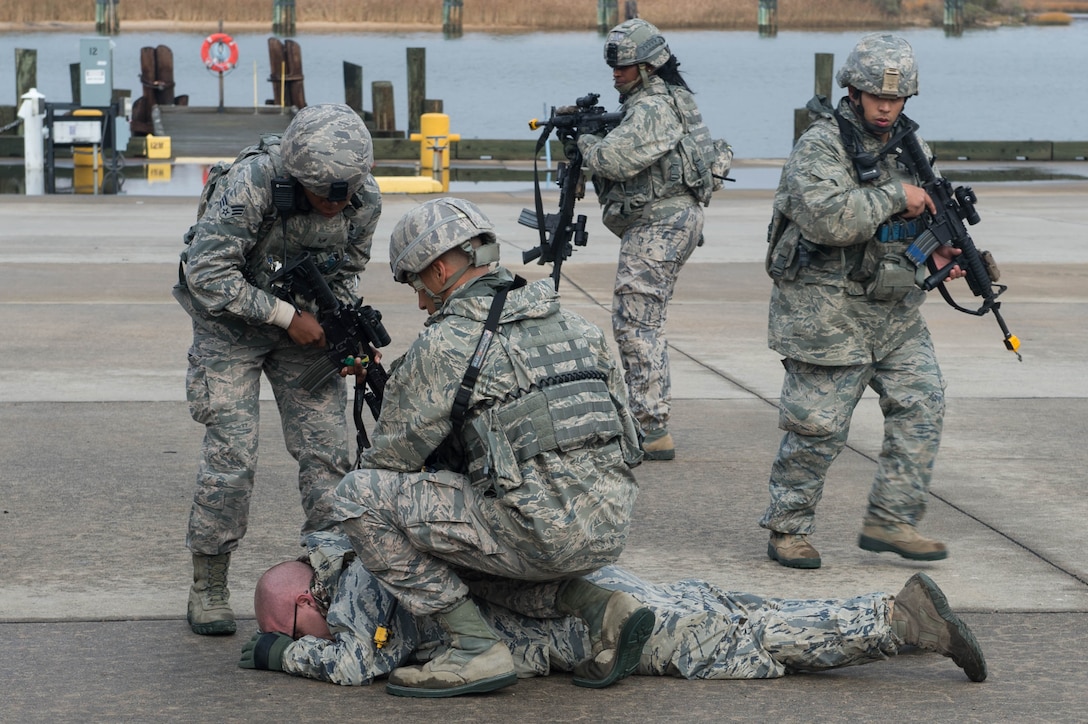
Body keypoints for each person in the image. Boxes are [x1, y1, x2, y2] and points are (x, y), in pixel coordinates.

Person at [312, 197, 651, 698]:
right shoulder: (580, 327)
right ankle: (601, 606)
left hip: (539, 536)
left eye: (417, 283)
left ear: (443, 267)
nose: (422, 302)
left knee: (359, 496)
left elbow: (390, 463)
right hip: (607, 528)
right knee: (473, 539)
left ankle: (473, 647)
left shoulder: (448, 342)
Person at [239, 531, 987, 685]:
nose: (305, 633)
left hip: (571, 624)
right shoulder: (364, 549)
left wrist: (278, 654)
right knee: (722, 603)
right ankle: (879, 613)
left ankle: (894, 623)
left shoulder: (361, 581)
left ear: (308, 593)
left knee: (735, 640)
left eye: (293, 622)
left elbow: (356, 663)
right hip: (587, 594)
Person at [173, 103, 382, 635]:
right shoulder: (253, 185)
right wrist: (286, 317)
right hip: (229, 327)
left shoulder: (363, 201)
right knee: (232, 458)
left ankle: (327, 575)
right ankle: (209, 583)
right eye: (324, 193)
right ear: (297, 178)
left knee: (328, 455)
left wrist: (345, 334)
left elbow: (345, 273)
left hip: (304, 330)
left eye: (346, 192)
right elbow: (208, 274)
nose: (337, 204)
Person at [760, 34, 967, 569]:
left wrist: (940, 243)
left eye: (895, 99)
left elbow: (922, 214)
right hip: (825, 311)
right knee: (817, 428)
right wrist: (898, 197)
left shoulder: (911, 149)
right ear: (852, 91)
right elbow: (829, 218)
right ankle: (788, 528)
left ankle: (892, 519)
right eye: (875, 95)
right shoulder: (821, 146)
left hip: (892, 311)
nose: (885, 106)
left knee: (923, 403)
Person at [576, 18, 721, 461]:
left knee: (636, 321)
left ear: (649, 66)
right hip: (667, 221)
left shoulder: (653, 106)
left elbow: (614, 159)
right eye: (616, 67)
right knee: (642, 319)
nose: (617, 75)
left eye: (626, 67)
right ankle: (647, 419)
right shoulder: (665, 99)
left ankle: (651, 426)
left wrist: (584, 139)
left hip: (661, 224)